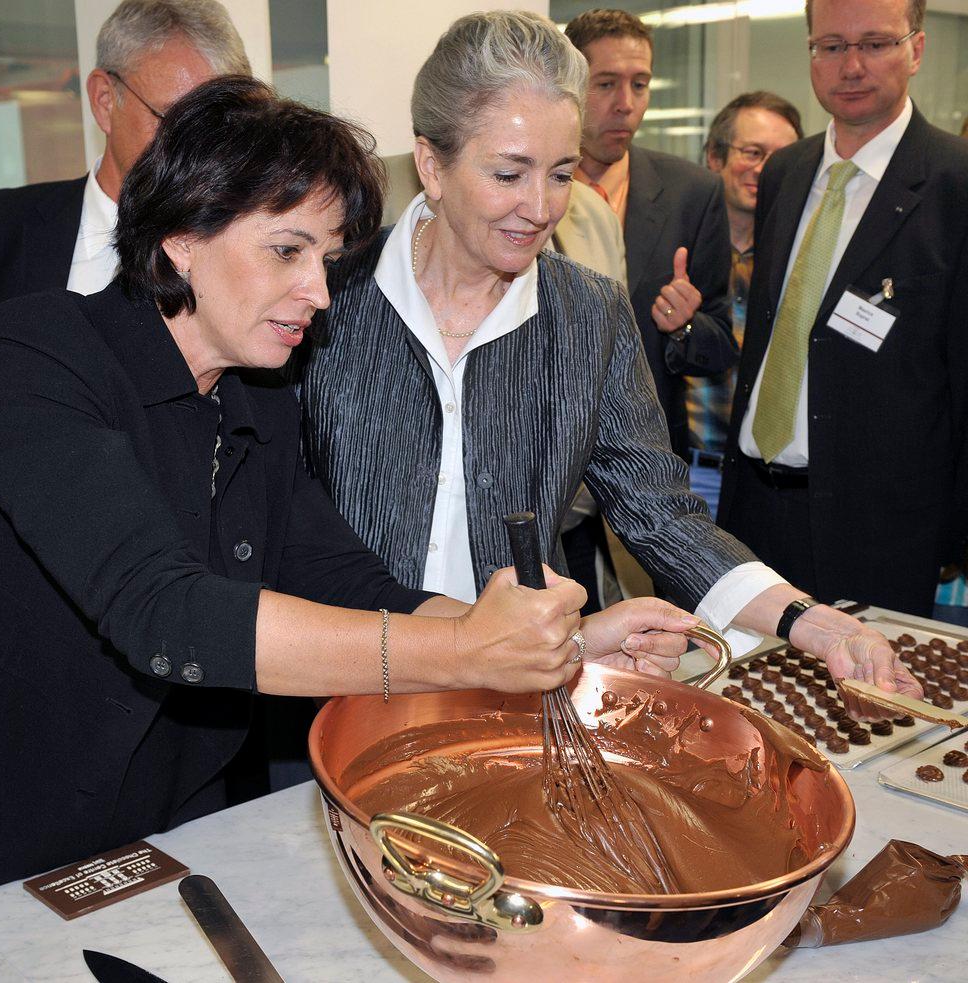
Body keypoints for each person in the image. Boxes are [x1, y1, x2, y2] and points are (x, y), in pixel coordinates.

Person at [0, 76, 703, 903]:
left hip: (176, 826)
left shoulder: (254, 396)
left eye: (328, 259)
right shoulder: (31, 357)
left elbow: (349, 581)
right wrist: (462, 652)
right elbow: (166, 612)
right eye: (286, 251)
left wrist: (554, 646)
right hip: (2, 831)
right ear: (181, 238)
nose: (317, 289)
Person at [298, 11, 920, 731]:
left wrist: (811, 622)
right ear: (432, 165)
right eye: (509, 173)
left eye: (560, 174)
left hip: (513, 709)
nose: (539, 209)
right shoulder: (326, 299)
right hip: (329, 697)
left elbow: (660, 511)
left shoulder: (586, 316)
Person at [718, 0, 968, 617]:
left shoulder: (954, 185)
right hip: (751, 507)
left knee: (861, 710)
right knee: (738, 701)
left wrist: (953, 532)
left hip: (880, 531)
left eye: (875, 44)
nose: (851, 66)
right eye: (830, 46)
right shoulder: (786, 170)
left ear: (916, 48)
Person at [0, 0, 250, 360]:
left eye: (221, 125)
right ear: (105, 100)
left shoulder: (248, 251)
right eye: (176, 121)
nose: (202, 147)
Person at [559, 8, 736, 461]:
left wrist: (685, 325)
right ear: (569, 83)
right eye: (605, 83)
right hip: (544, 450)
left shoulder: (692, 193)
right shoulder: (527, 189)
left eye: (640, 84)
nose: (626, 103)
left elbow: (719, 347)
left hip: (647, 454)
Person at [688, 92, 803, 516]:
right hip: (686, 476)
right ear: (714, 157)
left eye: (781, 156)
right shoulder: (674, 253)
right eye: (753, 152)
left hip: (771, 483)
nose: (766, 169)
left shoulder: (800, 265)